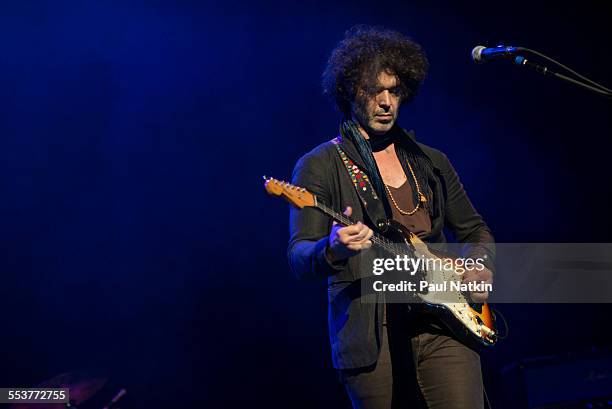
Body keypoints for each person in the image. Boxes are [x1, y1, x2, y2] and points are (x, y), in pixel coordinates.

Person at [287, 25, 495, 409]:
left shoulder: (431, 161)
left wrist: (478, 266)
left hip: (444, 322)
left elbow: (475, 229)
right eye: (373, 91)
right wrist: (332, 248)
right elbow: (299, 257)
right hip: (372, 332)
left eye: (394, 91)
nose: (386, 102)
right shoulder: (319, 165)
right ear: (350, 92)